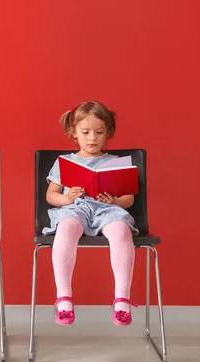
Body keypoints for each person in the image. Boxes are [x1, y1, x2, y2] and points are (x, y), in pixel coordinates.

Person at [43, 101, 138, 326]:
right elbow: (51, 195)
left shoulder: (115, 162)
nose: (92, 138)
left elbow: (128, 199)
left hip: (107, 209)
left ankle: (122, 299)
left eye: (99, 132)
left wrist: (114, 200)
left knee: (120, 230)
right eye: (85, 132)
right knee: (66, 227)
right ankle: (64, 297)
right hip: (76, 208)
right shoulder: (65, 162)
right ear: (74, 133)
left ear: (108, 133)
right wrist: (68, 198)